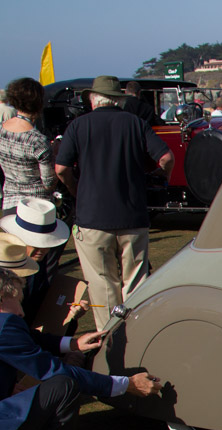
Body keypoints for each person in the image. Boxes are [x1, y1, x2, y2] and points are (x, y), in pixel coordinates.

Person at [0, 257, 162, 430]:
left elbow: (30, 340)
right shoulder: (6, 325)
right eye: (16, 299)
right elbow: (56, 371)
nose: (20, 310)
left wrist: (72, 345)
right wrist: (125, 384)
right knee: (62, 387)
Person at [53, 76, 174, 330]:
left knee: (102, 283)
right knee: (135, 282)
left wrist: (76, 190)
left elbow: (61, 168)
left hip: (92, 216)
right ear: (118, 100)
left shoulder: (78, 126)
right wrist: (161, 177)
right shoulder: (135, 123)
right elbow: (165, 157)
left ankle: (109, 339)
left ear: (92, 99)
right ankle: (138, 333)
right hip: (132, 215)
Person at [0, 198, 73, 322]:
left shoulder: (39, 264)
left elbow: (39, 305)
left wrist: (71, 315)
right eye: (35, 244)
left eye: (46, 244)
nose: (43, 250)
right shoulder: (6, 270)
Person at [0, 78, 55, 215]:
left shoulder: (1, 131)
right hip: (36, 207)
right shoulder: (38, 141)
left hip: (10, 203)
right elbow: (48, 183)